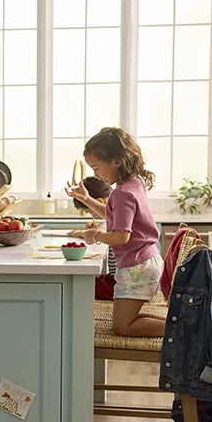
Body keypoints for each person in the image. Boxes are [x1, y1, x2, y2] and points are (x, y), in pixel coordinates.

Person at [65, 127, 164, 337]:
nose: (96, 174)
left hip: (137, 266)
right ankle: (183, 328)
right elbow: (113, 217)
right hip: (145, 262)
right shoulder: (133, 184)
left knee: (122, 326)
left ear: (116, 162)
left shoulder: (122, 193)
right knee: (125, 322)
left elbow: (121, 235)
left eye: (97, 168)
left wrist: (95, 236)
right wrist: (85, 198)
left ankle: (187, 333)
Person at [70, 176, 116, 275]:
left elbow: (98, 232)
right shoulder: (115, 212)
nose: (93, 216)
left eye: (91, 212)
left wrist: (82, 233)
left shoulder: (114, 215)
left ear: (99, 203)